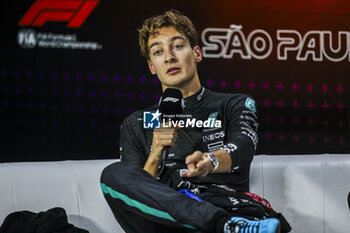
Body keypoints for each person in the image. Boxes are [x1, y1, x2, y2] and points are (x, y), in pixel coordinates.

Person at [100, 10, 283, 233]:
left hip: (224, 205)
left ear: (196, 53)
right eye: (158, 51)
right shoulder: (135, 123)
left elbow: (243, 148)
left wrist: (211, 161)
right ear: (151, 67)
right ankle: (224, 225)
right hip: (164, 222)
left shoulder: (235, 104)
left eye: (177, 46)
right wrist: (156, 153)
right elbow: (134, 191)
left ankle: (227, 224)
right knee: (113, 174)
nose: (169, 57)